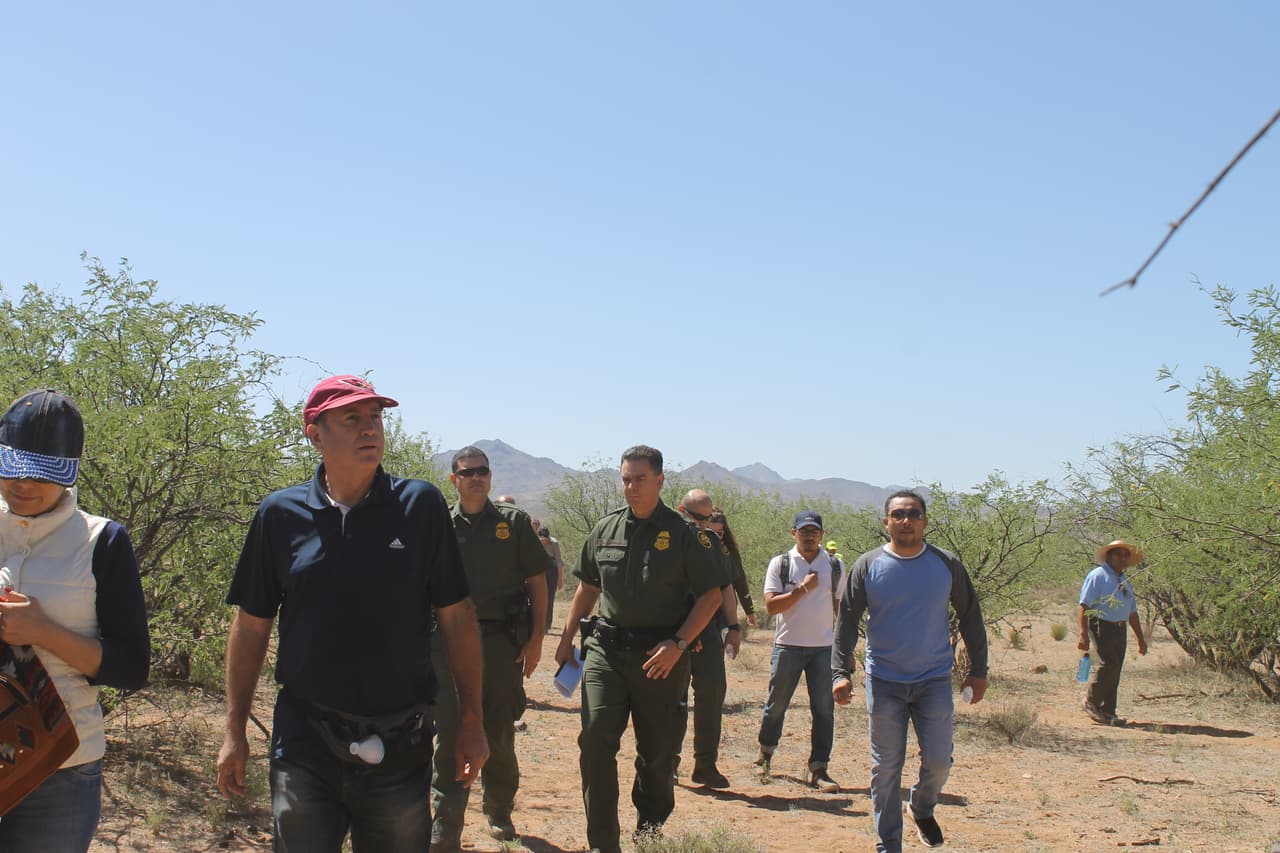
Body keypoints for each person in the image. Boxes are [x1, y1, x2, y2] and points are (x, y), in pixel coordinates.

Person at [216, 375, 489, 853]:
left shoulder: (419, 506)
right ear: (314, 434)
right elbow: (252, 626)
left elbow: (457, 617)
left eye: (375, 417)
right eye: (351, 418)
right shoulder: (279, 515)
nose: (369, 429)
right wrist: (234, 730)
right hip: (305, 741)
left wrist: (471, 719)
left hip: (399, 743)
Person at [553, 446, 727, 853]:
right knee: (595, 741)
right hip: (607, 652)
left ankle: (648, 831)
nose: (631, 487)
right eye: (626, 479)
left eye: (640, 479)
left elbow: (712, 596)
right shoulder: (606, 529)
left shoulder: (685, 534)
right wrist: (565, 638)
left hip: (660, 658)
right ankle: (603, 843)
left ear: (660, 481)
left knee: (658, 754)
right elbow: (587, 587)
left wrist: (679, 644)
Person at [0, 389, 150, 852]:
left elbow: (131, 667)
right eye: (12, 467)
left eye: (42, 472)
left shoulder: (102, 542)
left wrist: (43, 631)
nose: (24, 483)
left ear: (69, 472)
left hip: (60, 768)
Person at [832, 490, 989, 853]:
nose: (906, 521)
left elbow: (970, 615)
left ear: (925, 521)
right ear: (886, 521)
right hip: (884, 680)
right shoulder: (868, 565)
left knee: (939, 761)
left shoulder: (946, 563)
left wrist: (978, 669)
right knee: (886, 766)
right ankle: (889, 844)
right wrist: (840, 672)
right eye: (898, 514)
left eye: (914, 514)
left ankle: (921, 806)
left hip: (933, 679)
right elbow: (847, 621)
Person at [431, 446, 552, 851]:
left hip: (501, 644)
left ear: (490, 476)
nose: (476, 478)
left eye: (482, 471)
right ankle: (446, 824)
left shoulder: (512, 523)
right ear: (454, 479)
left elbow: (537, 580)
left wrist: (536, 639)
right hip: (449, 644)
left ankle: (499, 811)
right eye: (467, 473)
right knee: (450, 729)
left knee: (498, 730)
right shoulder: (440, 523)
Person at [755, 510, 841, 792]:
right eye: (804, 531)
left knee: (824, 710)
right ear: (794, 533)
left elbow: (839, 607)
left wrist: (845, 648)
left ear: (822, 535)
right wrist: (803, 589)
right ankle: (765, 755)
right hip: (788, 646)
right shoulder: (780, 563)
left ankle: (819, 768)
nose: (809, 536)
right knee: (776, 705)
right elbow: (771, 606)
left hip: (823, 649)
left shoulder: (835, 565)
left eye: (814, 531)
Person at [672, 489, 740, 789]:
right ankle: (667, 762)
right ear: (681, 510)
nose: (702, 523)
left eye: (707, 518)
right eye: (697, 517)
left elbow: (725, 587)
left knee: (712, 692)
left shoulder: (711, 543)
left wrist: (733, 626)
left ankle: (705, 764)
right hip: (673, 628)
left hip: (708, 628)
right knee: (673, 698)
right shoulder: (666, 540)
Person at [1079, 540, 1147, 726]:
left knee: (1116, 668)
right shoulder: (1098, 576)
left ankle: (1109, 710)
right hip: (1101, 624)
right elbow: (1084, 605)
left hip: (1120, 628)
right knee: (1109, 664)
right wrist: (1083, 633)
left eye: (1126, 556)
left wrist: (1140, 639)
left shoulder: (1124, 582)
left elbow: (1132, 613)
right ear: (1109, 556)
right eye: (1118, 554)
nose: (1122, 559)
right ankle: (1091, 701)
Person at [708, 509, 757, 627]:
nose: (715, 537)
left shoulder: (730, 552)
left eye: (719, 533)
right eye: (710, 532)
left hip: (725, 609)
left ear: (724, 533)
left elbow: (740, 581)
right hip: (702, 607)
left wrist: (749, 610)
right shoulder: (695, 550)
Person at [537, 524, 565, 633]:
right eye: (542, 540)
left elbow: (558, 561)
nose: (544, 542)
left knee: (550, 597)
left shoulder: (554, 543)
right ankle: (538, 623)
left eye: (545, 539)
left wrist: (560, 579)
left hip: (552, 569)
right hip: (540, 568)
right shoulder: (535, 542)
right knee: (539, 597)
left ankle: (547, 625)